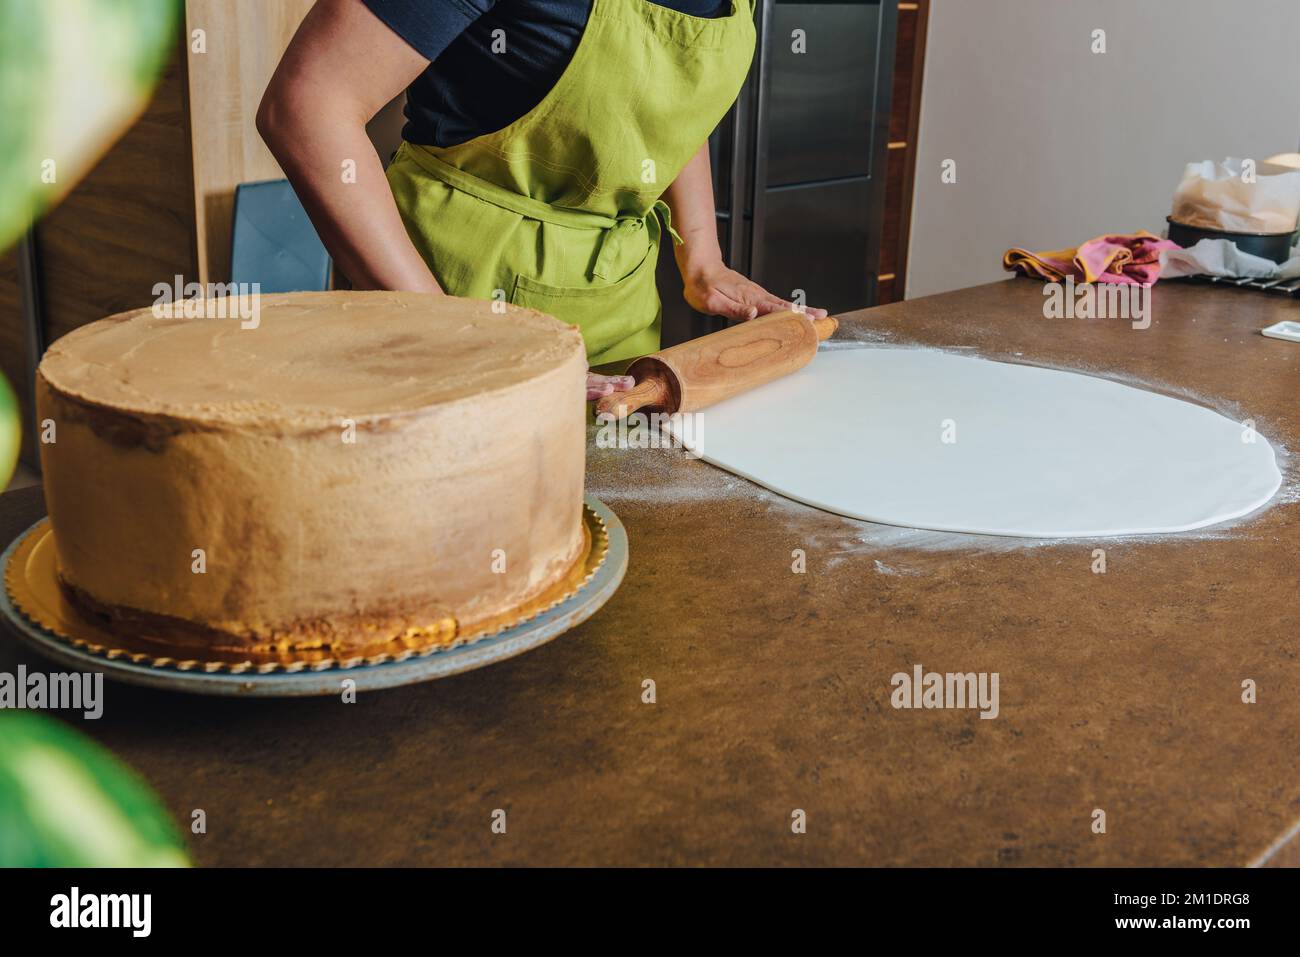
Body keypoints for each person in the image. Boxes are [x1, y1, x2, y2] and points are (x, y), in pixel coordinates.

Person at [259, 0, 826, 401]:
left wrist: (702, 259)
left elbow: (662, 107)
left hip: (617, 311)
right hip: (446, 296)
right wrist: (450, 337)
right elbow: (307, 105)